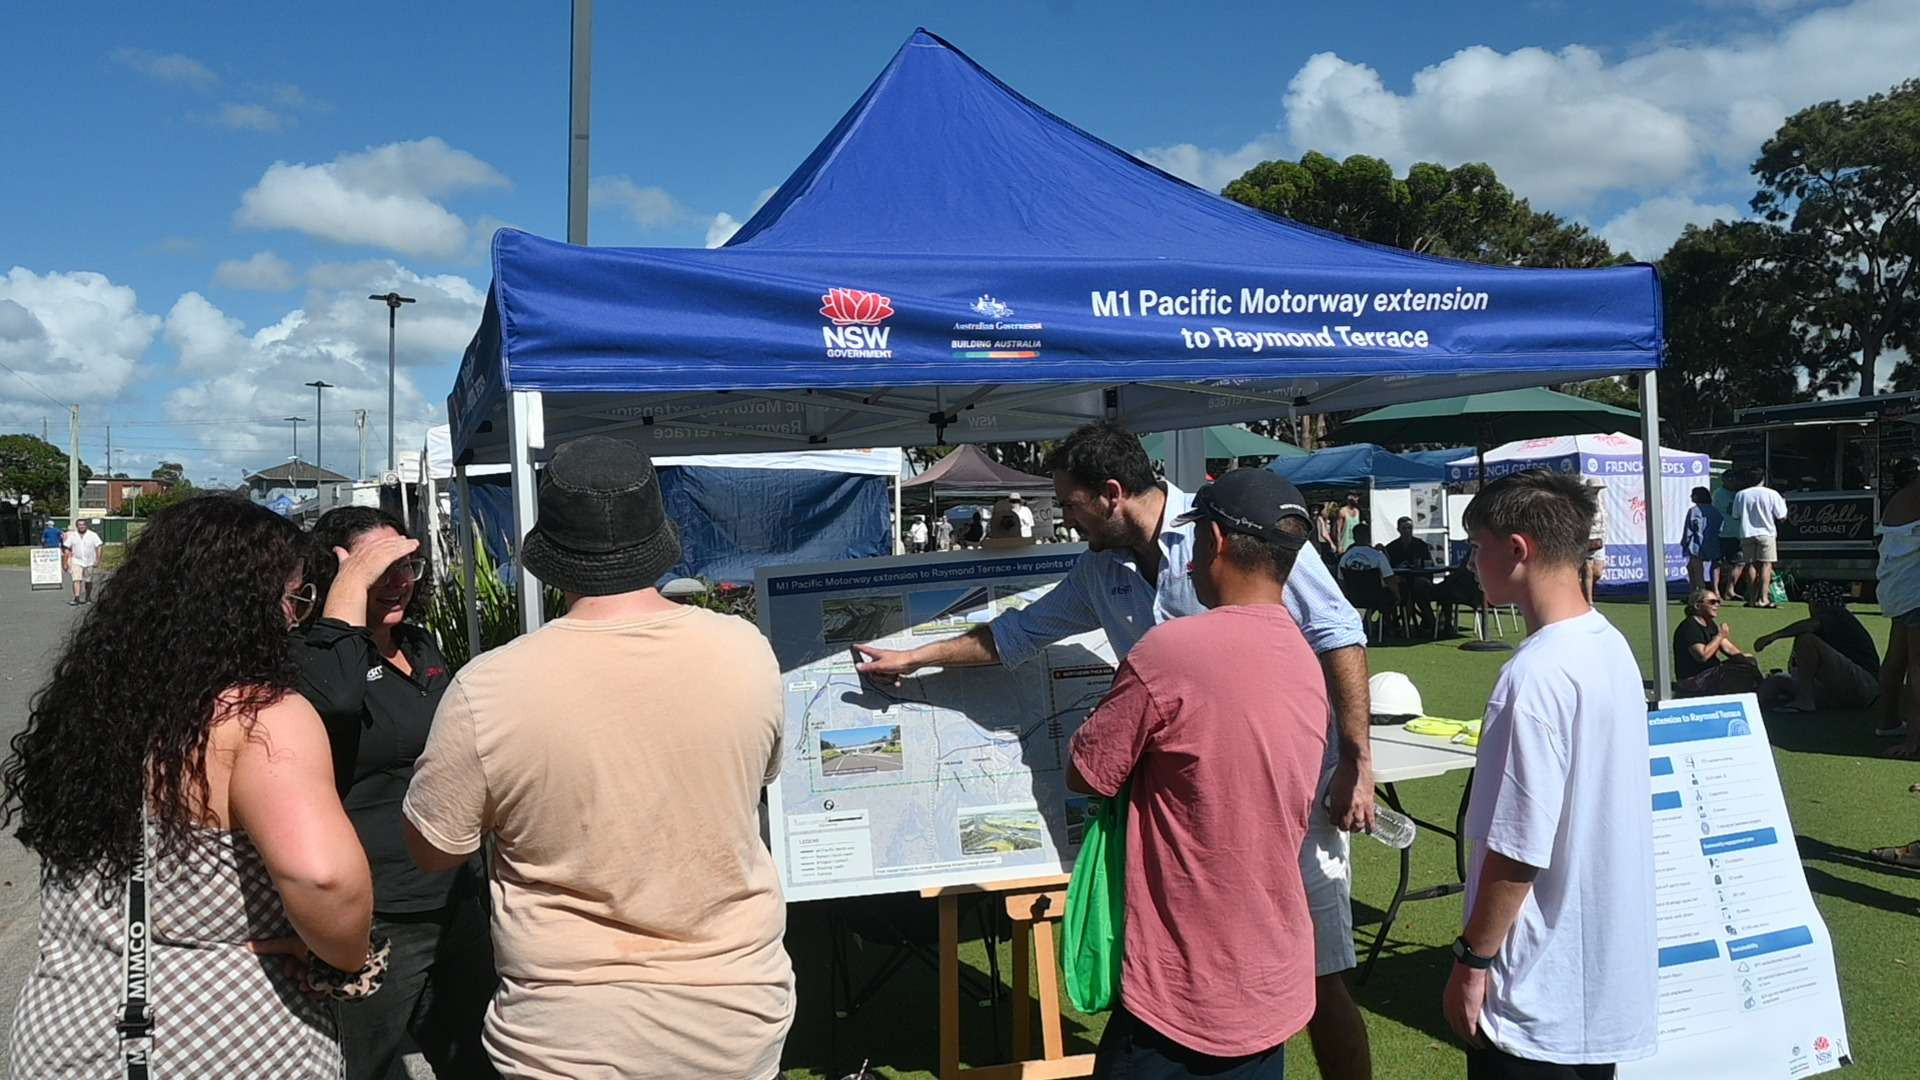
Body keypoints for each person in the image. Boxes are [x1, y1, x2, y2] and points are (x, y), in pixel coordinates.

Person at [857, 421, 1377, 1080]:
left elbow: (1337, 632)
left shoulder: (1236, 532)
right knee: (1186, 968)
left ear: (1109, 494)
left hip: (1286, 798)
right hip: (1187, 819)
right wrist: (915, 657)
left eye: (1069, 504)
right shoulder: (1100, 570)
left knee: (1316, 979)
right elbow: (1017, 633)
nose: (1065, 520)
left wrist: (1358, 761)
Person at [403, 437, 793, 1080]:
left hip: (569, 1031)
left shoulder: (489, 687)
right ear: (657, 537)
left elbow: (433, 849)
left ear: (551, 556)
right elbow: (760, 775)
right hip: (735, 1011)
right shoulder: (745, 650)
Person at [4, 495, 377, 1077]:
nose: (295, 619)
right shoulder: (258, 715)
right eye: (295, 598)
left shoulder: (86, 704)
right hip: (222, 1039)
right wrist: (349, 959)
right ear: (247, 606)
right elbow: (322, 877)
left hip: (65, 1027)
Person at [1067, 469, 1328, 1077]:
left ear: (1215, 542)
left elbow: (1088, 771)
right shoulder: (1303, 656)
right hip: (1268, 976)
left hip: (1178, 985)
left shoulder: (1169, 651)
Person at [1446, 470, 1656, 1078]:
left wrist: (1471, 960)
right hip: (1598, 986)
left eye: (1476, 547)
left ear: (1517, 549)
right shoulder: (1609, 643)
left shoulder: (1533, 676)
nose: (1471, 563)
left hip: (1536, 995)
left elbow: (1518, 847)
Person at [294, 506, 498, 1080]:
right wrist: (349, 596)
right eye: (379, 569)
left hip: (455, 890)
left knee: (477, 1054)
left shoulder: (419, 643)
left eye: (406, 566)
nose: (399, 582)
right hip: (379, 910)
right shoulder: (314, 657)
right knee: (366, 1064)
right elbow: (334, 703)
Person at [1753, 581, 1881, 713]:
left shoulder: (1836, 614)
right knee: (1776, 682)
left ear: (1816, 603)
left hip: (1865, 686)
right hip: (1844, 687)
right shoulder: (1833, 621)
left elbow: (1810, 625)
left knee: (1806, 640)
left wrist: (1772, 637)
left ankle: (1804, 701)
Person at [1876, 461, 1920, 754]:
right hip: (1914, 593)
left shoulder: (1901, 498)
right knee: (1916, 668)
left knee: (1896, 661)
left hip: (1897, 592)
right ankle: (1914, 740)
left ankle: (1889, 722)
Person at [1673, 588, 1761, 697]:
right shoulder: (1690, 627)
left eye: (1718, 602)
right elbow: (1702, 656)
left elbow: (1728, 649)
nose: (1717, 605)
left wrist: (1747, 661)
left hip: (1709, 673)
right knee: (1740, 672)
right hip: (1693, 679)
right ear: (1697, 605)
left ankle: (1758, 689)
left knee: (1748, 659)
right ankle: (1757, 694)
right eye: (1712, 602)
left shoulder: (1710, 624)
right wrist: (1720, 636)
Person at [1733, 472, 1789, 607]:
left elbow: (1735, 515)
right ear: (1763, 479)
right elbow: (1781, 516)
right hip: (1766, 533)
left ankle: (1752, 599)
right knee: (1766, 564)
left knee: (1750, 565)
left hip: (1747, 532)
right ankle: (1763, 598)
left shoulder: (1741, 494)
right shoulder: (1772, 493)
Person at [1681, 486, 1722, 591]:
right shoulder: (1716, 511)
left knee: (1696, 568)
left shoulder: (1694, 511)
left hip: (1696, 544)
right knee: (1695, 566)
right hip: (1714, 542)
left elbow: (1688, 529)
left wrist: (1684, 543)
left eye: (1693, 494)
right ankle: (1714, 590)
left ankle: (1700, 589)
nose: (1691, 496)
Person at [1712, 473, 1746, 597]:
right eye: (1730, 479)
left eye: (1735, 478)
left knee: (1739, 563)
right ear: (1724, 480)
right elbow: (1731, 510)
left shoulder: (1739, 493)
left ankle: (1730, 590)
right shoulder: (1719, 493)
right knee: (1717, 563)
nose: (1733, 481)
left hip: (1737, 534)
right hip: (1722, 533)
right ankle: (1715, 590)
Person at [63, 516, 104, 605]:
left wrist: (98, 559)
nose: (81, 526)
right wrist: (65, 562)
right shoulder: (73, 536)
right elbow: (66, 548)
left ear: (86, 526)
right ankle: (76, 598)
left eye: (83, 525)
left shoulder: (93, 535)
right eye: (79, 525)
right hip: (76, 561)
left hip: (90, 561)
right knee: (76, 579)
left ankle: (88, 597)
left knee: (88, 581)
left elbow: (99, 547)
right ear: (77, 526)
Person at [1582, 481, 1608, 604]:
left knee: (1597, 572)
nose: (1597, 490)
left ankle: (1582, 591)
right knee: (1588, 568)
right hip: (1589, 539)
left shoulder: (1601, 501)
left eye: (1598, 488)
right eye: (1595, 488)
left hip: (1600, 539)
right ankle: (1589, 601)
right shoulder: (1584, 502)